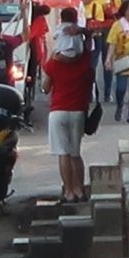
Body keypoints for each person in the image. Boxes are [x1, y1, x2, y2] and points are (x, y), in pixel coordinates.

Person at [42, 11, 94, 202]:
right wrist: (82, 32)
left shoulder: (53, 64)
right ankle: (80, 190)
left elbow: (45, 88)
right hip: (78, 111)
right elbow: (89, 41)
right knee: (75, 153)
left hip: (58, 111)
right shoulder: (84, 61)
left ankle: (69, 191)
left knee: (63, 153)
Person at [104, 1, 129, 124]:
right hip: (123, 59)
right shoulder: (118, 25)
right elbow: (112, 43)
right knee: (121, 88)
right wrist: (108, 58)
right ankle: (120, 105)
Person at [92, 0, 121, 99]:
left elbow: (119, 14)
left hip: (110, 30)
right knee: (93, 61)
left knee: (107, 61)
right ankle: (93, 91)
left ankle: (108, 92)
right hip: (96, 30)